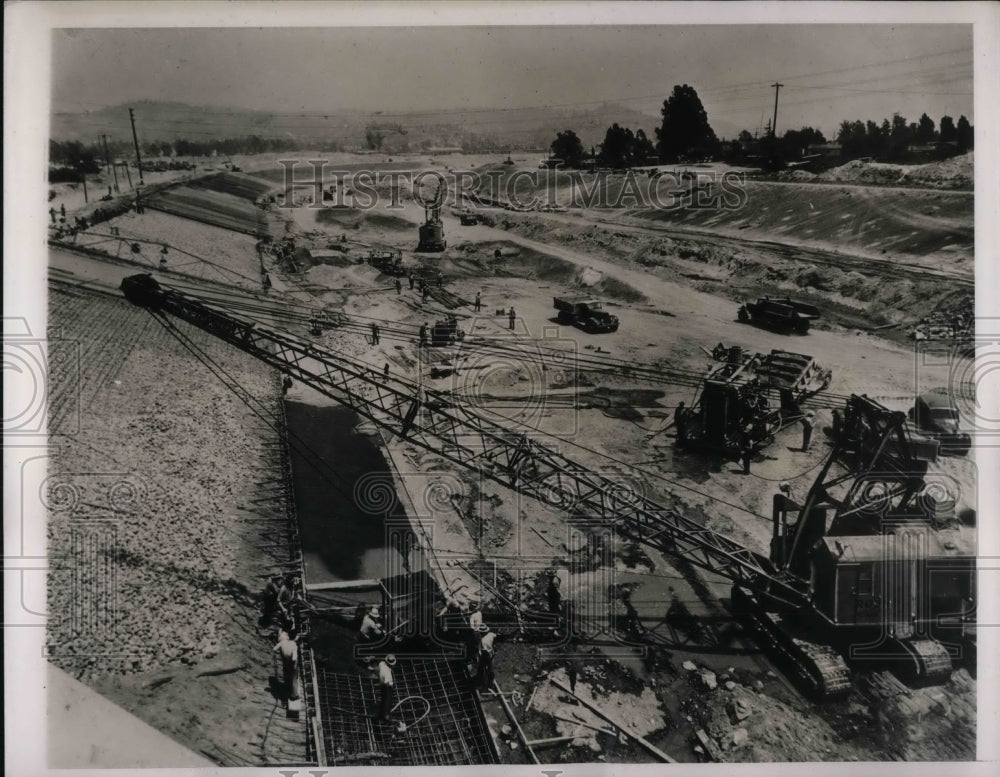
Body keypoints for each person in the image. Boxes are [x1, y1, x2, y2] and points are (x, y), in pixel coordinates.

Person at [274, 630, 300, 703]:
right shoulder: (294, 645)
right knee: (294, 680)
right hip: (292, 665)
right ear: (295, 638)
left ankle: (287, 687)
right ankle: (294, 696)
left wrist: (283, 653)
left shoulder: (283, 642)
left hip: (285, 663)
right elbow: (294, 658)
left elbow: (274, 649)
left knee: (286, 675)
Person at [378, 655, 396, 720]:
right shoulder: (388, 673)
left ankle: (382, 714)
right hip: (386, 686)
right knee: (387, 700)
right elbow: (387, 683)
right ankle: (385, 715)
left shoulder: (382, 664)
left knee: (383, 700)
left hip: (382, 683)